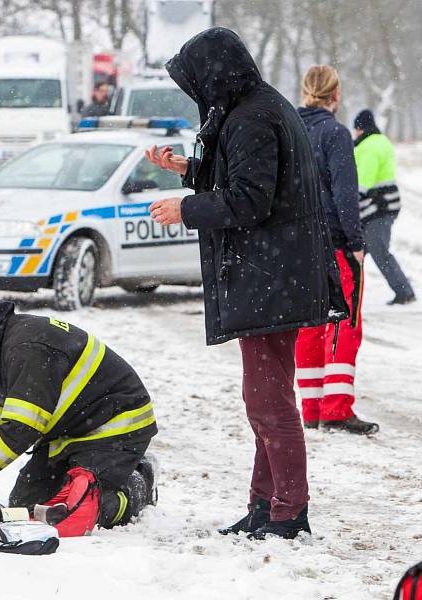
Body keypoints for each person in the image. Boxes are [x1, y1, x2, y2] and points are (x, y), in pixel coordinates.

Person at [145, 28, 347, 540]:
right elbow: (248, 179)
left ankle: (287, 513)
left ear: (215, 74)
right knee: (268, 396)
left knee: (267, 401)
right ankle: (266, 506)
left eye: (196, 81)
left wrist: (185, 209)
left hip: (270, 275)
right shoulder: (256, 107)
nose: (196, 93)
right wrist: (189, 169)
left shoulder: (252, 116)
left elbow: (250, 200)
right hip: (276, 273)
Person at [0, 286, 157, 532]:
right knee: (28, 508)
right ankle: (87, 480)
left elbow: (22, 428)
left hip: (113, 429)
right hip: (69, 432)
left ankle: (138, 484)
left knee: (70, 514)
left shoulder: (27, 348)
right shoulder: (3, 351)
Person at [294, 66, 378, 435]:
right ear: (336, 95)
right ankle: (337, 407)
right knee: (344, 321)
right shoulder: (336, 133)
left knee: (309, 323)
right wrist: (356, 242)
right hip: (334, 243)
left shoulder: (290, 129)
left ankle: (311, 406)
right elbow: (346, 194)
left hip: (298, 243)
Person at [353, 108, 416, 305]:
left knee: (378, 249)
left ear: (360, 128)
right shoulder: (381, 142)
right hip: (385, 205)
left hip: (377, 207)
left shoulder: (368, 147)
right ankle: (348, 293)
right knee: (359, 250)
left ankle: (404, 292)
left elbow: (364, 179)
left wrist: (354, 196)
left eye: (355, 129)